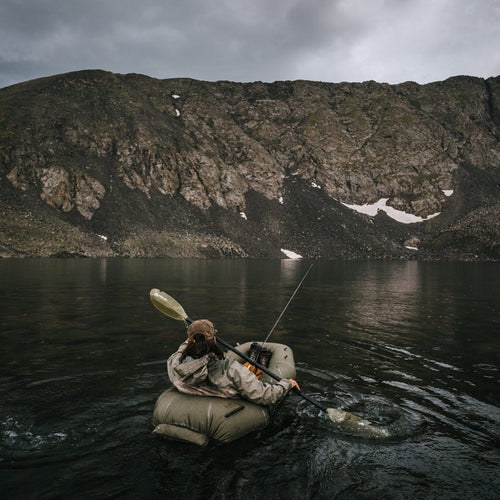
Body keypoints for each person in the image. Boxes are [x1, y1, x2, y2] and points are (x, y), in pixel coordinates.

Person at [167, 319, 300, 406]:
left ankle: (254, 362)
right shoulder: (230, 368)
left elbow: (184, 348)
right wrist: (286, 384)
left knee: (243, 373)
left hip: (195, 390)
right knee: (248, 377)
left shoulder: (174, 362)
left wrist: (194, 331)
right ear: (214, 340)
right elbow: (264, 396)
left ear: (190, 340)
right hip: (226, 398)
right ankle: (258, 364)